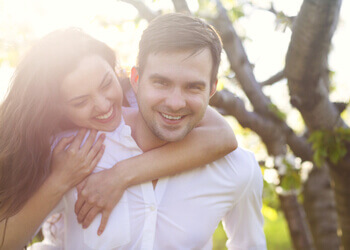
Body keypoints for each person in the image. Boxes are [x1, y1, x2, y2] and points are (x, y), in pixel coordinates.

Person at [0, 28, 237, 249]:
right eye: (81, 101)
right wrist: (60, 179)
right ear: (56, 108)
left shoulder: (139, 97)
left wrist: (119, 176)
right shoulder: (46, 144)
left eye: (106, 83)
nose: (103, 105)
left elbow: (222, 136)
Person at [71, 13, 267, 249]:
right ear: (136, 79)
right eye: (161, 83)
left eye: (193, 87)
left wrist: (120, 175)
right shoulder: (76, 154)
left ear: (212, 89)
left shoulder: (239, 169)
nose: (175, 103)